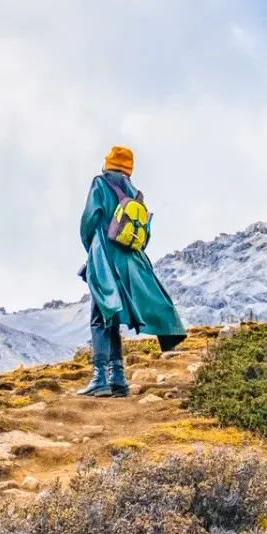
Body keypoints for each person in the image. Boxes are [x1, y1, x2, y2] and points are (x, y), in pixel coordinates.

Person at [77, 146, 186, 397]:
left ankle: (100, 378)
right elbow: (144, 235)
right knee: (111, 318)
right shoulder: (135, 194)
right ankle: (118, 379)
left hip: (105, 256)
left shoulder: (100, 183)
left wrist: (93, 250)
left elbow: (89, 221)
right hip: (131, 261)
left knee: (99, 317)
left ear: (108, 164)